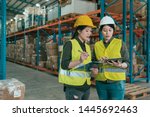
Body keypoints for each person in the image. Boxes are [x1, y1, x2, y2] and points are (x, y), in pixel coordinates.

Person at [58, 15, 96, 100]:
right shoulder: (70, 44)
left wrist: (94, 69)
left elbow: (87, 66)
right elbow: (64, 65)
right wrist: (79, 61)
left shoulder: (87, 47)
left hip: (86, 87)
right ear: (79, 30)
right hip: (73, 87)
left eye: (90, 31)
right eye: (87, 31)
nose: (89, 33)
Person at [92, 16, 129, 100]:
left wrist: (120, 65)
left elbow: (127, 62)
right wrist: (96, 66)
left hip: (117, 83)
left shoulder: (120, 43)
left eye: (110, 30)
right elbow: (93, 61)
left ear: (113, 31)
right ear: (101, 31)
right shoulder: (97, 45)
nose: (107, 33)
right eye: (104, 30)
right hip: (100, 82)